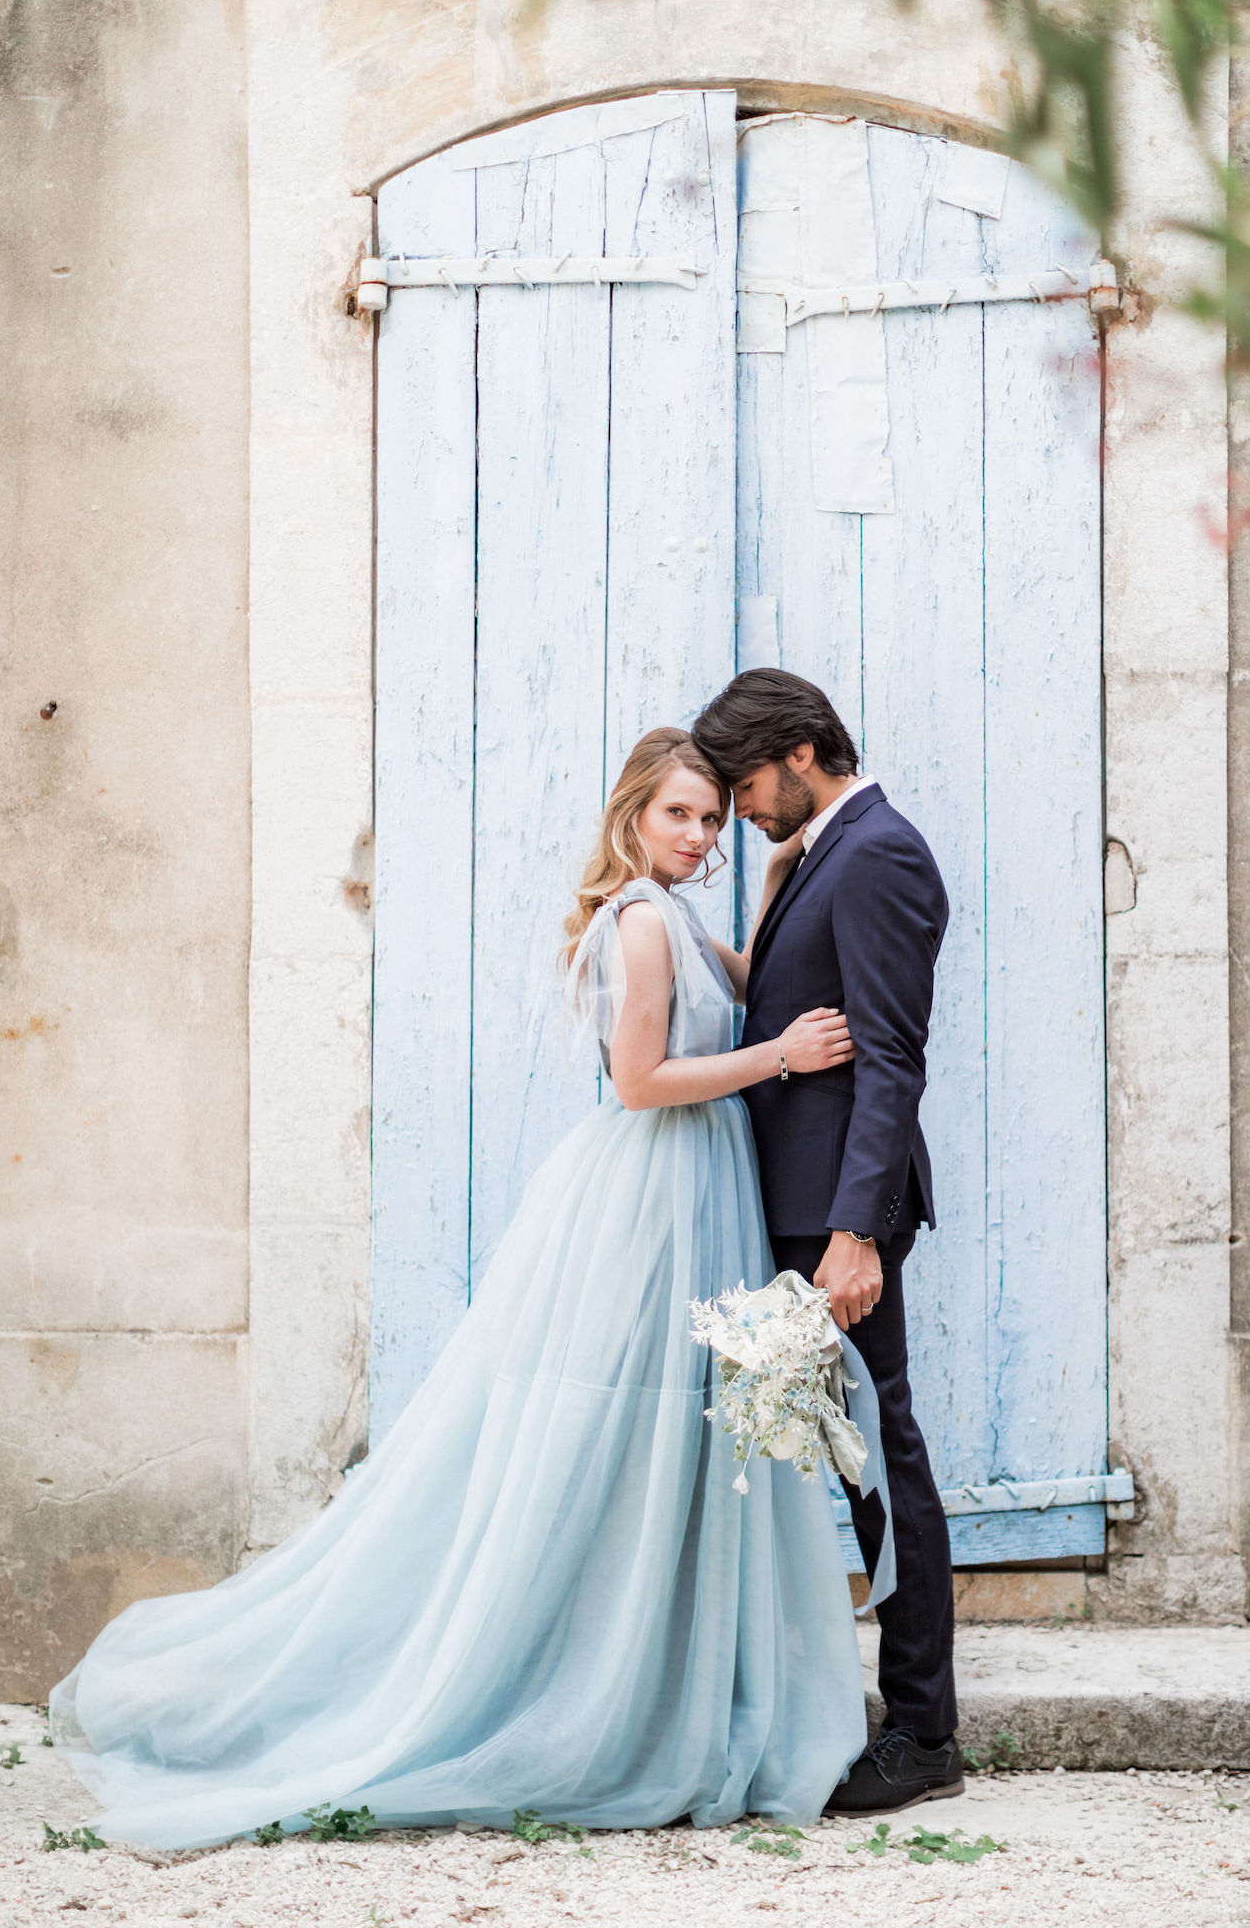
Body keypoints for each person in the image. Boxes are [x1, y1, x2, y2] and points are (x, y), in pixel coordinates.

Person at [51, 728, 875, 1851]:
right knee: (625, 1426)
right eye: (678, 814)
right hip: (654, 1189)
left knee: (697, 1432)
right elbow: (641, 1082)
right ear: (634, 815)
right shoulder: (638, 922)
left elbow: (756, 972)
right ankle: (588, 1687)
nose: (698, 836)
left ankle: (665, 1678)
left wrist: (785, 870)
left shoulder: (674, 915)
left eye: (711, 820)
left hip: (703, 1184)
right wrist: (781, 1058)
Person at [692, 670, 960, 1816]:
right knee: (830, 1458)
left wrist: (858, 1235)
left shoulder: (880, 854)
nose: (741, 808)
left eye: (748, 785)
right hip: (795, 1204)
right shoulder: (811, 859)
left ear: (802, 751)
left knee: (881, 1459)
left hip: (838, 1219)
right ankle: (835, 1706)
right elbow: (786, 1005)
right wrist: (757, 902)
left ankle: (924, 1733)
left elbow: (892, 1057)